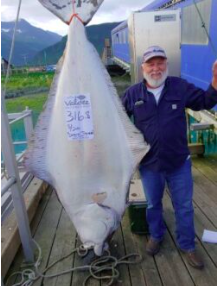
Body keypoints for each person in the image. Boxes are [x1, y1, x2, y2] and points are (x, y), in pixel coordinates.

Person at [122, 45, 217, 269]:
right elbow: (115, 116)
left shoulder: (179, 87)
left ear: (166, 64)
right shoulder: (132, 94)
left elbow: (204, 102)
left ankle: (187, 245)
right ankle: (156, 235)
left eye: (160, 63)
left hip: (178, 163)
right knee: (153, 204)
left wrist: (214, 83)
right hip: (149, 164)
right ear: (143, 67)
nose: (156, 68)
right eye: (151, 64)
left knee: (184, 207)